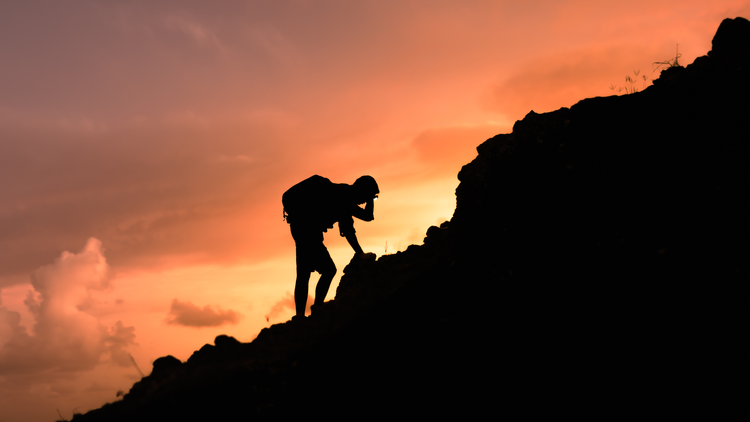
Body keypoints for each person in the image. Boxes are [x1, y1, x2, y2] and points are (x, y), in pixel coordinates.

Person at [283, 175, 379, 319]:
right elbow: (349, 231)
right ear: (361, 190)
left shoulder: (344, 195)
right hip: (307, 231)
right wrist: (360, 253)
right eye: (366, 197)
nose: (365, 201)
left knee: (304, 273)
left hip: (301, 228)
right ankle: (317, 310)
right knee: (328, 270)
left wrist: (371, 197)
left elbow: (367, 216)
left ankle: (301, 316)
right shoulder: (344, 197)